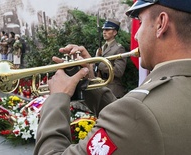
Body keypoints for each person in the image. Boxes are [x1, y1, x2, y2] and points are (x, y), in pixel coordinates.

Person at [34, 0, 191, 154]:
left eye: (141, 22)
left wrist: (57, 97)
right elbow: (130, 123)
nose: (136, 36)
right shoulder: (142, 109)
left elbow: (134, 116)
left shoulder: (138, 110)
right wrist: (88, 80)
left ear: (161, 23)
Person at [95, 19, 127, 98]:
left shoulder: (119, 49)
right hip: (101, 88)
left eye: (107, 29)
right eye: (103, 30)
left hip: (113, 90)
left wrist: (100, 64)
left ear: (115, 32)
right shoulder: (100, 49)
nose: (104, 32)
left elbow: (119, 71)